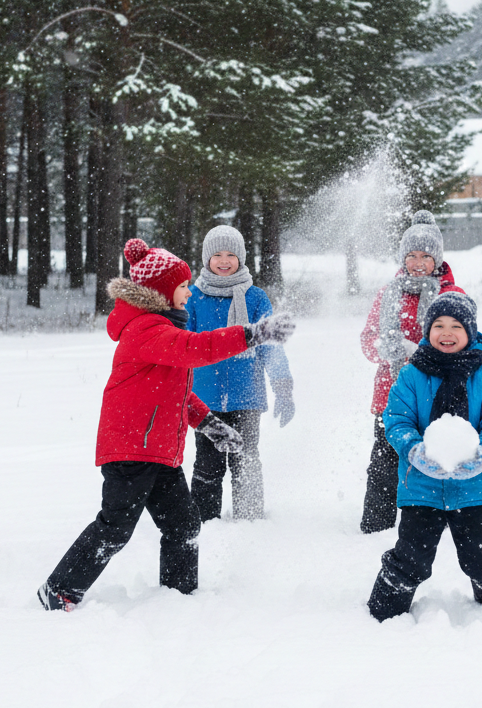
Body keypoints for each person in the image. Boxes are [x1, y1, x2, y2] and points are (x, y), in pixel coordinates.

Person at [37, 239, 295, 611]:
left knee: (185, 525)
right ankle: (59, 589)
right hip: (132, 451)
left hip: (159, 452)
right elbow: (197, 349)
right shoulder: (147, 329)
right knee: (115, 528)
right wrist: (253, 333)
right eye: (182, 285)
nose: (188, 292)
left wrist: (208, 423)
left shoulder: (160, 328)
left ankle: (177, 596)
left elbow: (175, 391)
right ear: (160, 291)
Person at [367, 292, 482, 621]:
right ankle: (383, 614)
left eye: (455, 326)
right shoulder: (411, 375)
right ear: (426, 330)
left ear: (471, 333)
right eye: (438, 325)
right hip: (421, 488)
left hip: (473, 489)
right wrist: (414, 451)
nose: (446, 332)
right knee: (410, 558)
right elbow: (397, 419)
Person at [359, 210, 463, 533]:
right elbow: (367, 341)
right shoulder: (389, 294)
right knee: (384, 464)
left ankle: (429, 527)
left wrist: (418, 353)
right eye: (412, 255)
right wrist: (385, 347)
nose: (418, 262)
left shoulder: (451, 296)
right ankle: (376, 526)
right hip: (390, 397)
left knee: (432, 463)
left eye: (426, 256)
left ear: (438, 260)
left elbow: (463, 344)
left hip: (435, 398)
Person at [186, 225, 294, 522]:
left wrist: (283, 385)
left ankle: (250, 517)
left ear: (241, 258)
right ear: (207, 258)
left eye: (231, 255)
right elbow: (182, 346)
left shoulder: (255, 297)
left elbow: (271, 346)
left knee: (246, 459)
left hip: (247, 395)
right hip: (203, 398)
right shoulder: (193, 298)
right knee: (207, 464)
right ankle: (203, 520)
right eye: (217, 255)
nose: (224, 260)